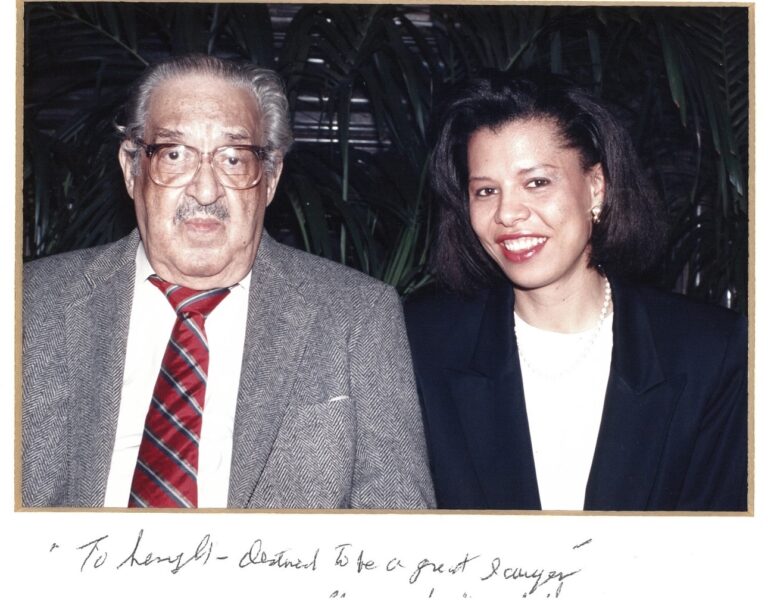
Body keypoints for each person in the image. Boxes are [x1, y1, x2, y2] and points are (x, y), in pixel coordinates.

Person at [22, 54, 435, 509]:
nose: (204, 190)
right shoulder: (31, 304)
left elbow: (399, 529)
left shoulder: (357, 317)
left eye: (234, 159)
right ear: (132, 167)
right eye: (174, 154)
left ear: (271, 177)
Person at [405, 71, 747, 511]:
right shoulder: (421, 343)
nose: (508, 213)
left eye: (537, 182)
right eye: (486, 191)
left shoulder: (709, 351)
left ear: (596, 188)